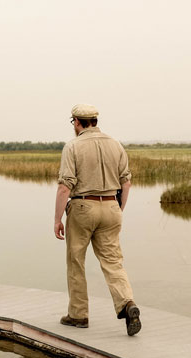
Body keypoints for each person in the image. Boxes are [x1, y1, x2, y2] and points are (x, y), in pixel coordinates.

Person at [53, 104, 141, 336]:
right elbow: (127, 182)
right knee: (113, 261)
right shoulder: (115, 144)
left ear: (77, 122)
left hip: (83, 206)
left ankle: (78, 314)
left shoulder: (72, 146)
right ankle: (127, 303)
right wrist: (118, 208)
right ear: (95, 120)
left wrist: (57, 219)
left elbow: (65, 187)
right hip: (112, 206)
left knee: (76, 261)